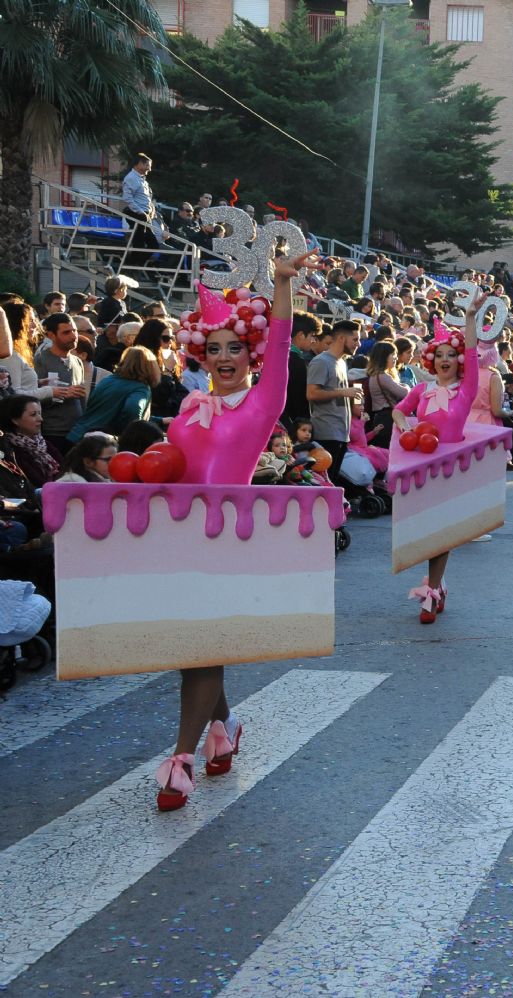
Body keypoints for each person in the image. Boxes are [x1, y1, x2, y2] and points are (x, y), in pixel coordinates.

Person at [153, 250, 318, 810]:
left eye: (236, 349)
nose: (225, 358)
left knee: (201, 650)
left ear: (251, 353)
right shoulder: (187, 408)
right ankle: (224, 729)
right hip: (179, 539)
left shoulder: (261, 404)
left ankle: (182, 757)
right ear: (200, 353)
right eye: (214, 349)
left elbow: (280, 342)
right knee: (195, 647)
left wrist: (280, 285)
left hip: (226, 542)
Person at [392, 299, 483, 624]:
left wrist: (470, 319)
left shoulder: (466, 389)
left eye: (451, 355)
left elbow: (473, 354)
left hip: (452, 471)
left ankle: (430, 591)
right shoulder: (421, 389)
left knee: (440, 532)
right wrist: (403, 425)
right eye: (439, 355)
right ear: (431, 359)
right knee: (424, 531)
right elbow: (399, 409)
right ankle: (439, 584)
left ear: (458, 360)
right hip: (420, 467)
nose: (445, 360)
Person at [306, 319, 362, 483]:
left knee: (333, 481)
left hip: (341, 433)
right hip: (325, 432)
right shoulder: (321, 361)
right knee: (324, 482)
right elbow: (312, 394)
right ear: (342, 339)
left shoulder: (342, 363)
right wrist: (344, 392)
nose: (358, 344)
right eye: (355, 340)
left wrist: (353, 401)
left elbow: (336, 395)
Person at [67, 346, 158, 443]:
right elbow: (132, 409)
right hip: (99, 444)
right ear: (150, 366)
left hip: (78, 435)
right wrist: (128, 433)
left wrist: (160, 420)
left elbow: (107, 411)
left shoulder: (107, 380)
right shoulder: (140, 388)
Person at [33, 313, 86, 456]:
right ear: (51, 335)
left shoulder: (77, 361)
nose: (73, 336)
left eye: (74, 330)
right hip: (53, 433)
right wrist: (61, 394)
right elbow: (32, 397)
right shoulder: (40, 360)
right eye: (66, 332)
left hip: (76, 432)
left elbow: (81, 399)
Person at [0, 395, 59, 488]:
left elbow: (65, 469)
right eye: (33, 414)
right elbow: (37, 483)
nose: (40, 419)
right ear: (15, 420)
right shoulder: (9, 450)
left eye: (40, 413)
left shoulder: (43, 443)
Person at [363, 339, 408, 449]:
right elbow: (403, 393)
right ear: (384, 357)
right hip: (386, 418)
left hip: (381, 417)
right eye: (393, 354)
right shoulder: (382, 376)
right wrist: (407, 386)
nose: (396, 358)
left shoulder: (375, 375)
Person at [120, 153, 161, 270]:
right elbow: (127, 198)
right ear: (139, 164)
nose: (150, 169)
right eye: (148, 165)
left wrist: (151, 209)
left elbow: (146, 198)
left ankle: (134, 265)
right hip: (137, 214)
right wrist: (140, 212)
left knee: (153, 244)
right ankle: (131, 266)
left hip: (145, 215)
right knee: (139, 244)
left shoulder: (142, 179)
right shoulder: (131, 178)